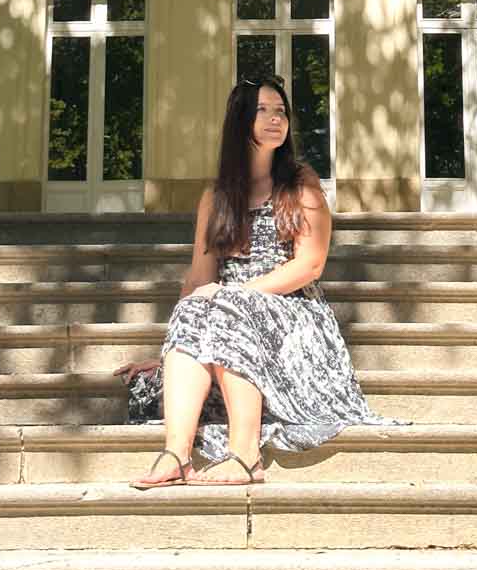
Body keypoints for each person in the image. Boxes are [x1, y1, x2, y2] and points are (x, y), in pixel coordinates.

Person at [114, 73, 405, 487]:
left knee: (225, 306)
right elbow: (199, 278)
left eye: (281, 111)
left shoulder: (301, 184)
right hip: (224, 312)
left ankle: (245, 456)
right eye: (263, 110)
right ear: (240, 121)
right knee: (194, 305)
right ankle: (176, 454)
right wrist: (172, 352)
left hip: (292, 313)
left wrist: (236, 294)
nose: (275, 119)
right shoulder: (215, 197)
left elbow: (310, 265)